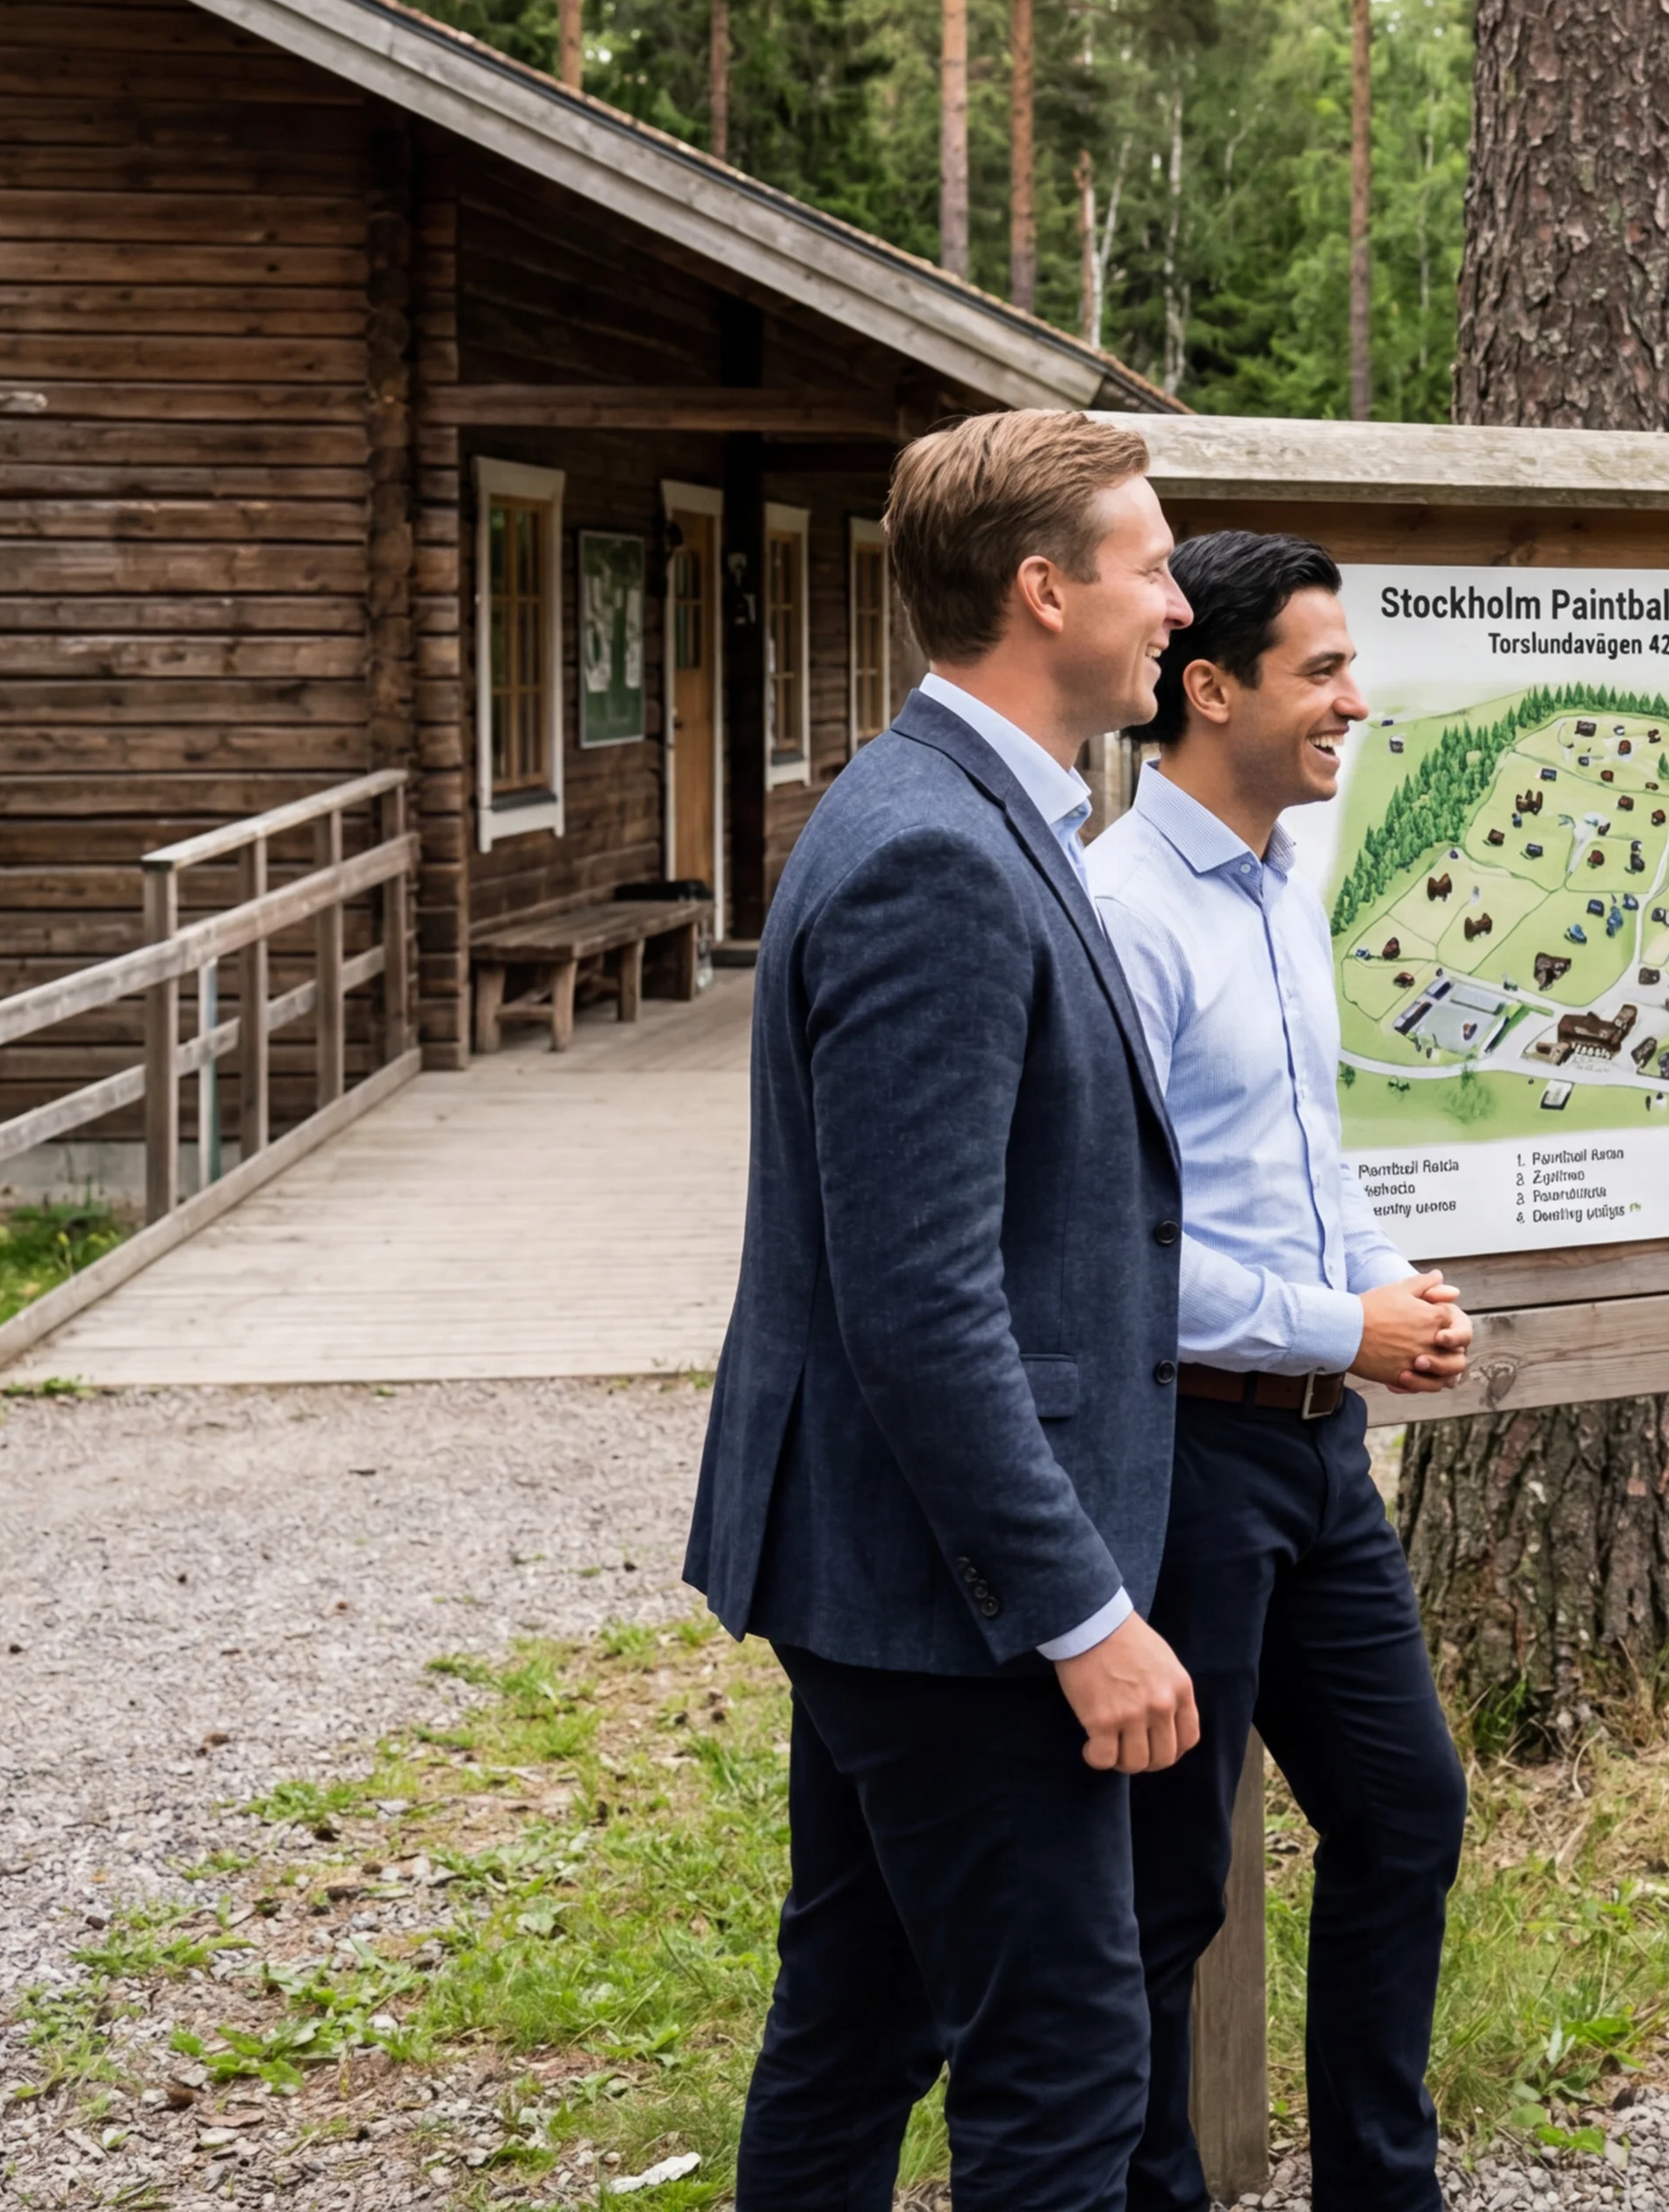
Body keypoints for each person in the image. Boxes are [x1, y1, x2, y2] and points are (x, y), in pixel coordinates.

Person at [680, 409, 1203, 2212]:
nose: (1175, 603)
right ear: (1044, 591)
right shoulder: (936, 855)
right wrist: (1078, 1610)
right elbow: (919, 1302)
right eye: (1148, 565)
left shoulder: (976, 805)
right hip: (956, 1597)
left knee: (856, 2016)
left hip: (897, 1575)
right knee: (1062, 2067)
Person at [1083, 531, 1478, 2212]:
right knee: (1166, 1892)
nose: (1354, 703)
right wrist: (1344, 1329)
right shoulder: (1119, 911)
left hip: (1320, 1457)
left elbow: (1304, 1165)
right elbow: (1114, 1254)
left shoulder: (1282, 888)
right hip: (1183, 1460)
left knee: (1407, 1813)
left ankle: (1382, 2192)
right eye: (1323, 672)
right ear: (1211, 686)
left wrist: (1388, 1290)